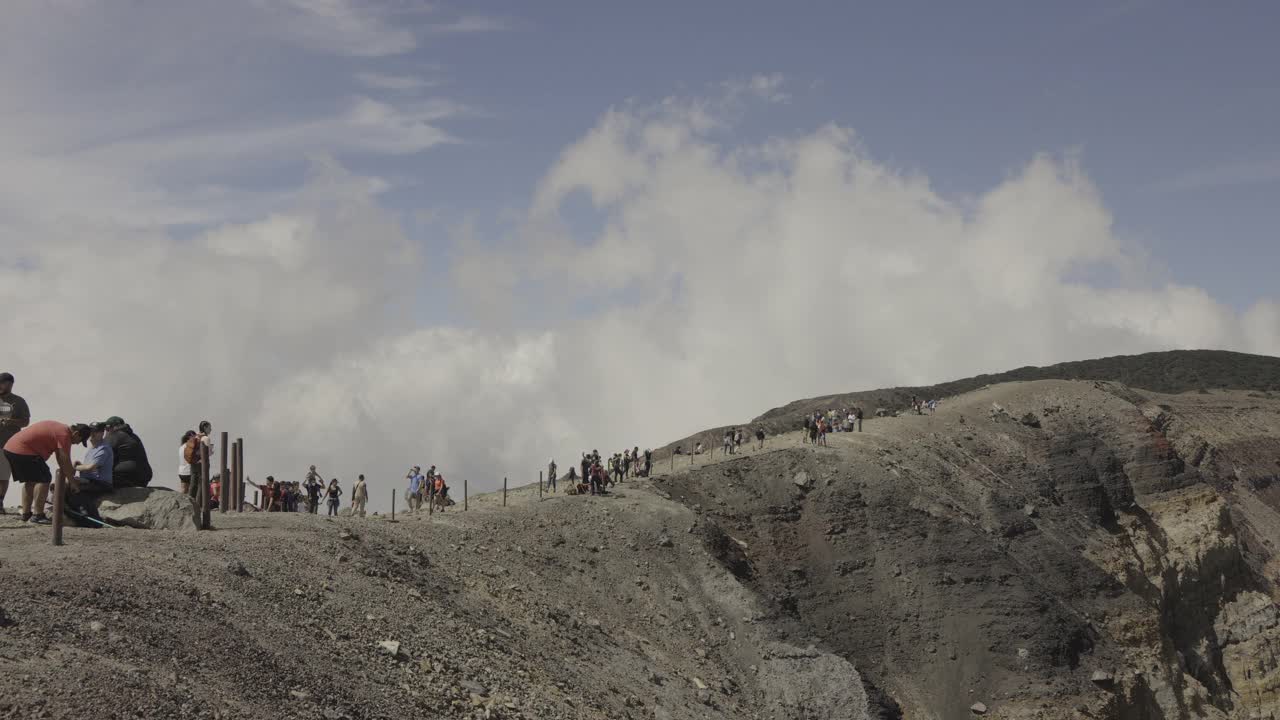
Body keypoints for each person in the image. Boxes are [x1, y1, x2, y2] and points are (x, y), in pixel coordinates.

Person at [3, 421, 90, 524]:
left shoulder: (59, 429)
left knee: (31, 481)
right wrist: (72, 482)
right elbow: (64, 459)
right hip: (23, 450)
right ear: (76, 434)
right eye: (79, 440)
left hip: (11, 448)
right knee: (44, 478)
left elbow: (60, 457)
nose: (77, 443)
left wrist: (68, 475)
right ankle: (38, 515)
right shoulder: (64, 434)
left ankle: (26, 515)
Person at [0, 372, 31, 514]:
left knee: (2, 475)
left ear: (10, 384)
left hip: (7, 444)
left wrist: (11, 421)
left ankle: (0, 503)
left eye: (2, 383)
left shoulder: (18, 401)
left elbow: (25, 422)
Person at [103, 417, 152, 488]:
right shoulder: (134, 436)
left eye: (106, 429)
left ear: (111, 428)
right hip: (144, 477)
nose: (105, 431)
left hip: (126, 476)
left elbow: (102, 453)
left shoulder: (114, 435)